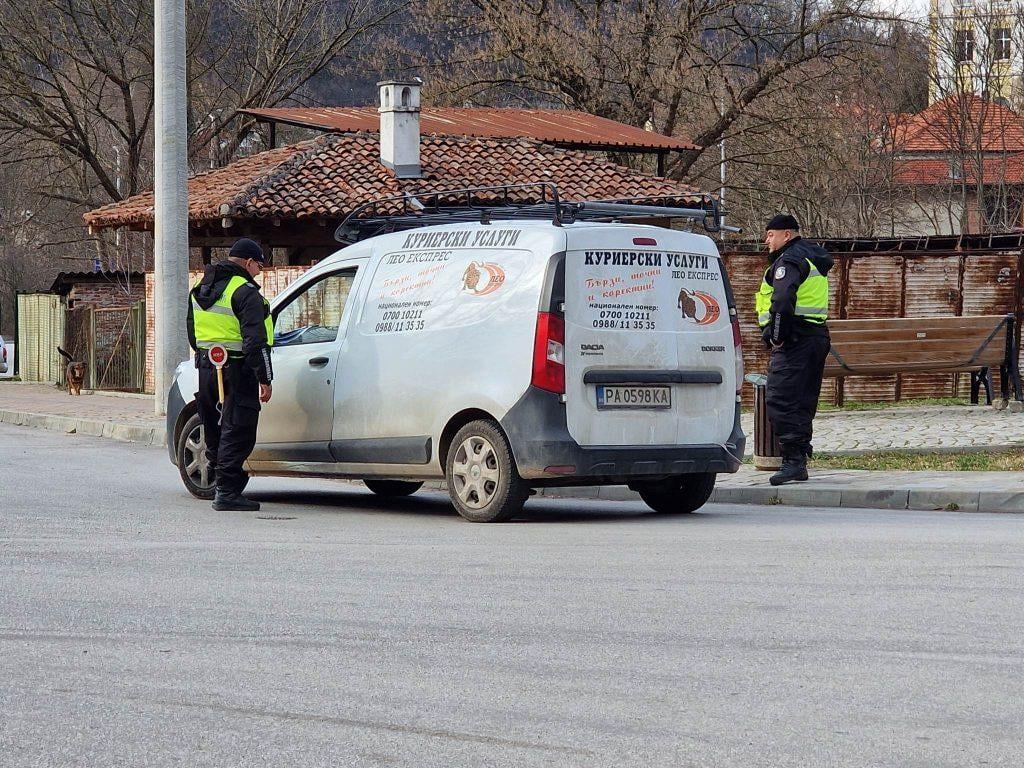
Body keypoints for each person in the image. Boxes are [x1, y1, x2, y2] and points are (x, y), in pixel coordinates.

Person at [186, 238, 274, 510]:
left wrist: (210, 355)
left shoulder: (200, 288)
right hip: (237, 369)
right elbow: (255, 340)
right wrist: (265, 377)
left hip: (207, 366)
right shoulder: (244, 291)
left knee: (214, 425)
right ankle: (226, 492)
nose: (259, 271)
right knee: (239, 428)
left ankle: (220, 485)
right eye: (259, 266)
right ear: (248, 262)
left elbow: (192, 333)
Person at [755, 214, 833, 486]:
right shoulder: (811, 256)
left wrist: (776, 335)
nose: (766, 240)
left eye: (771, 234)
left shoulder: (789, 260)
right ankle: (798, 457)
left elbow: (783, 299)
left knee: (781, 397)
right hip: (815, 336)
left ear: (787, 234)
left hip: (795, 339)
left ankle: (793, 461)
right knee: (802, 400)